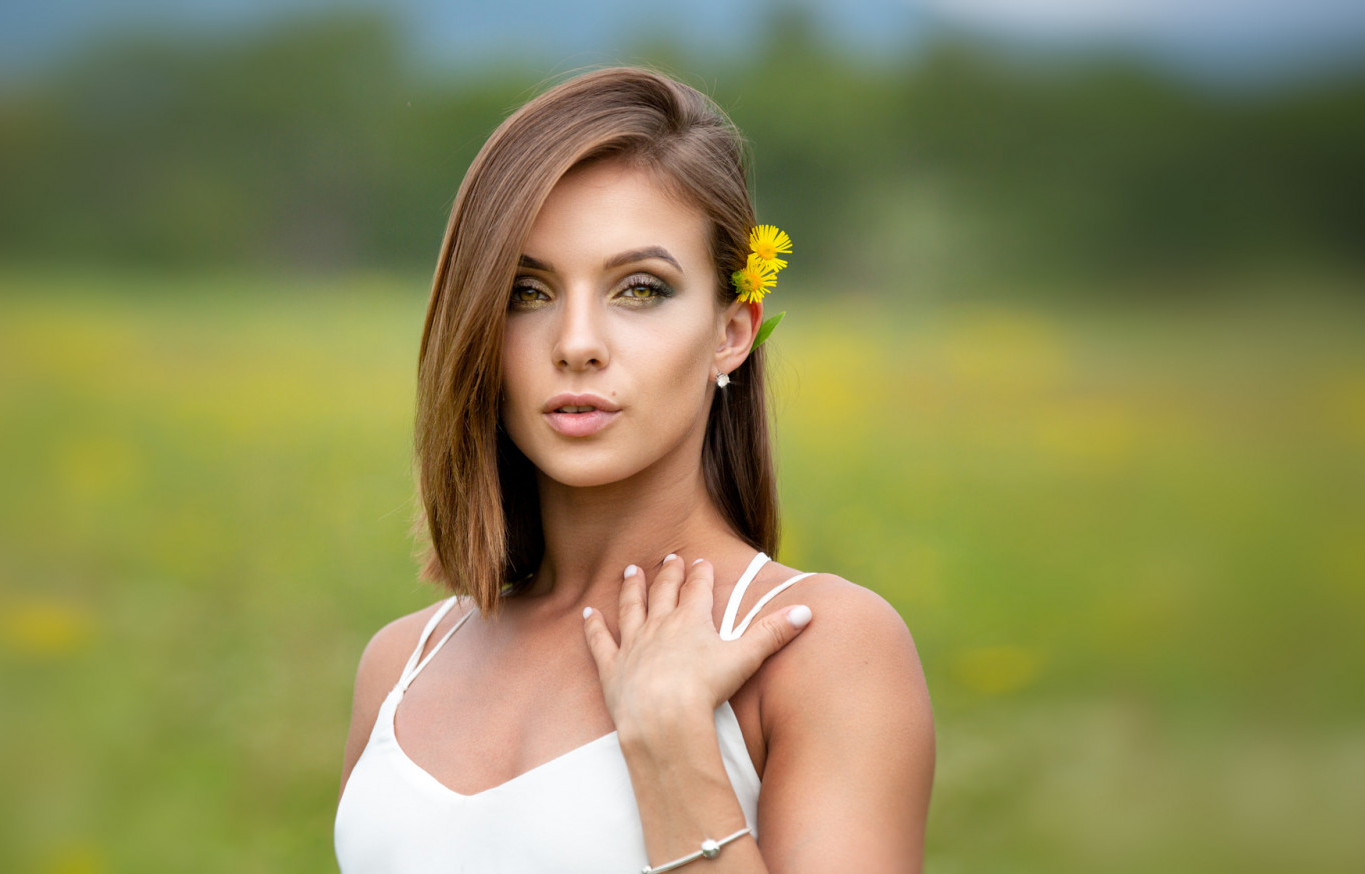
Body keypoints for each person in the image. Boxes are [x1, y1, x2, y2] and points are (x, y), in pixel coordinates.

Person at [334, 66, 934, 872]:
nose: (576, 342)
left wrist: (673, 744)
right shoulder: (401, 665)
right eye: (525, 291)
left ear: (732, 331)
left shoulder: (818, 650)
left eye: (640, 289)